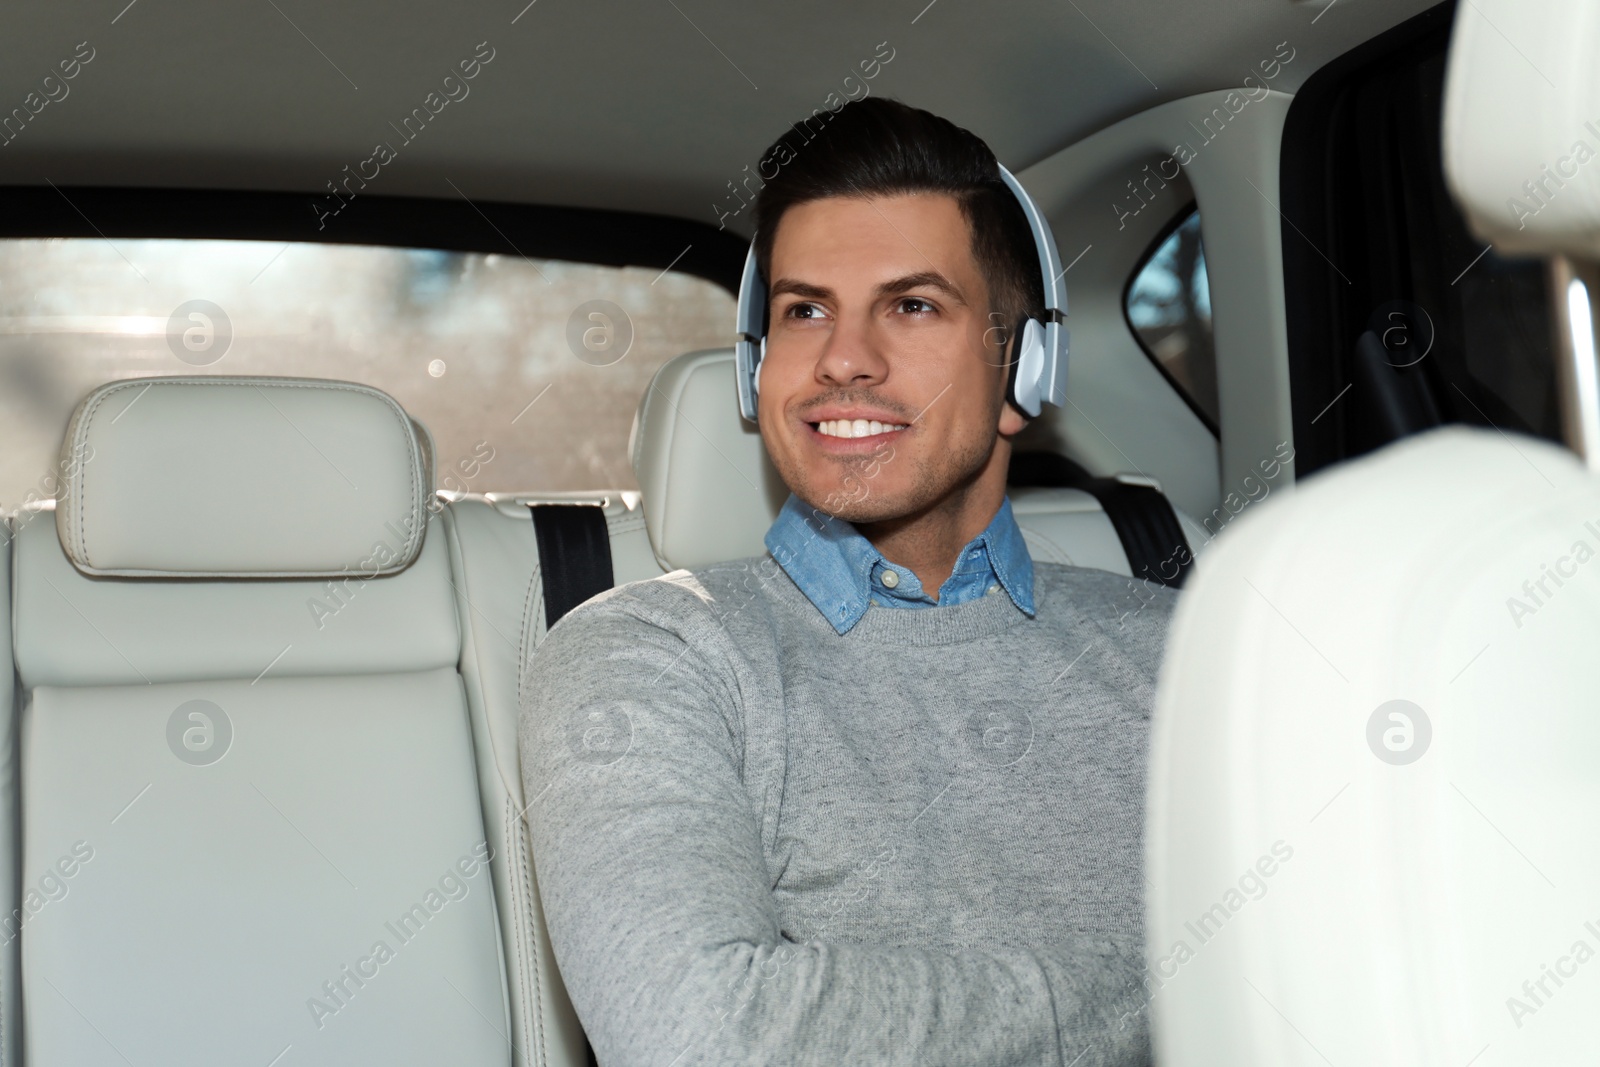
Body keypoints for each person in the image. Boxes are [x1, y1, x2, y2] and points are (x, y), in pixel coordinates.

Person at [520, 96, 1178, 1066]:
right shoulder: (648, 654)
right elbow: (704, 1039)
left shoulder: (1193, 646)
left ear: (1022, 368)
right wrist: (1185, 972)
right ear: (756, 370)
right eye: (804, 310)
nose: (842, 359)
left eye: (911, 305)